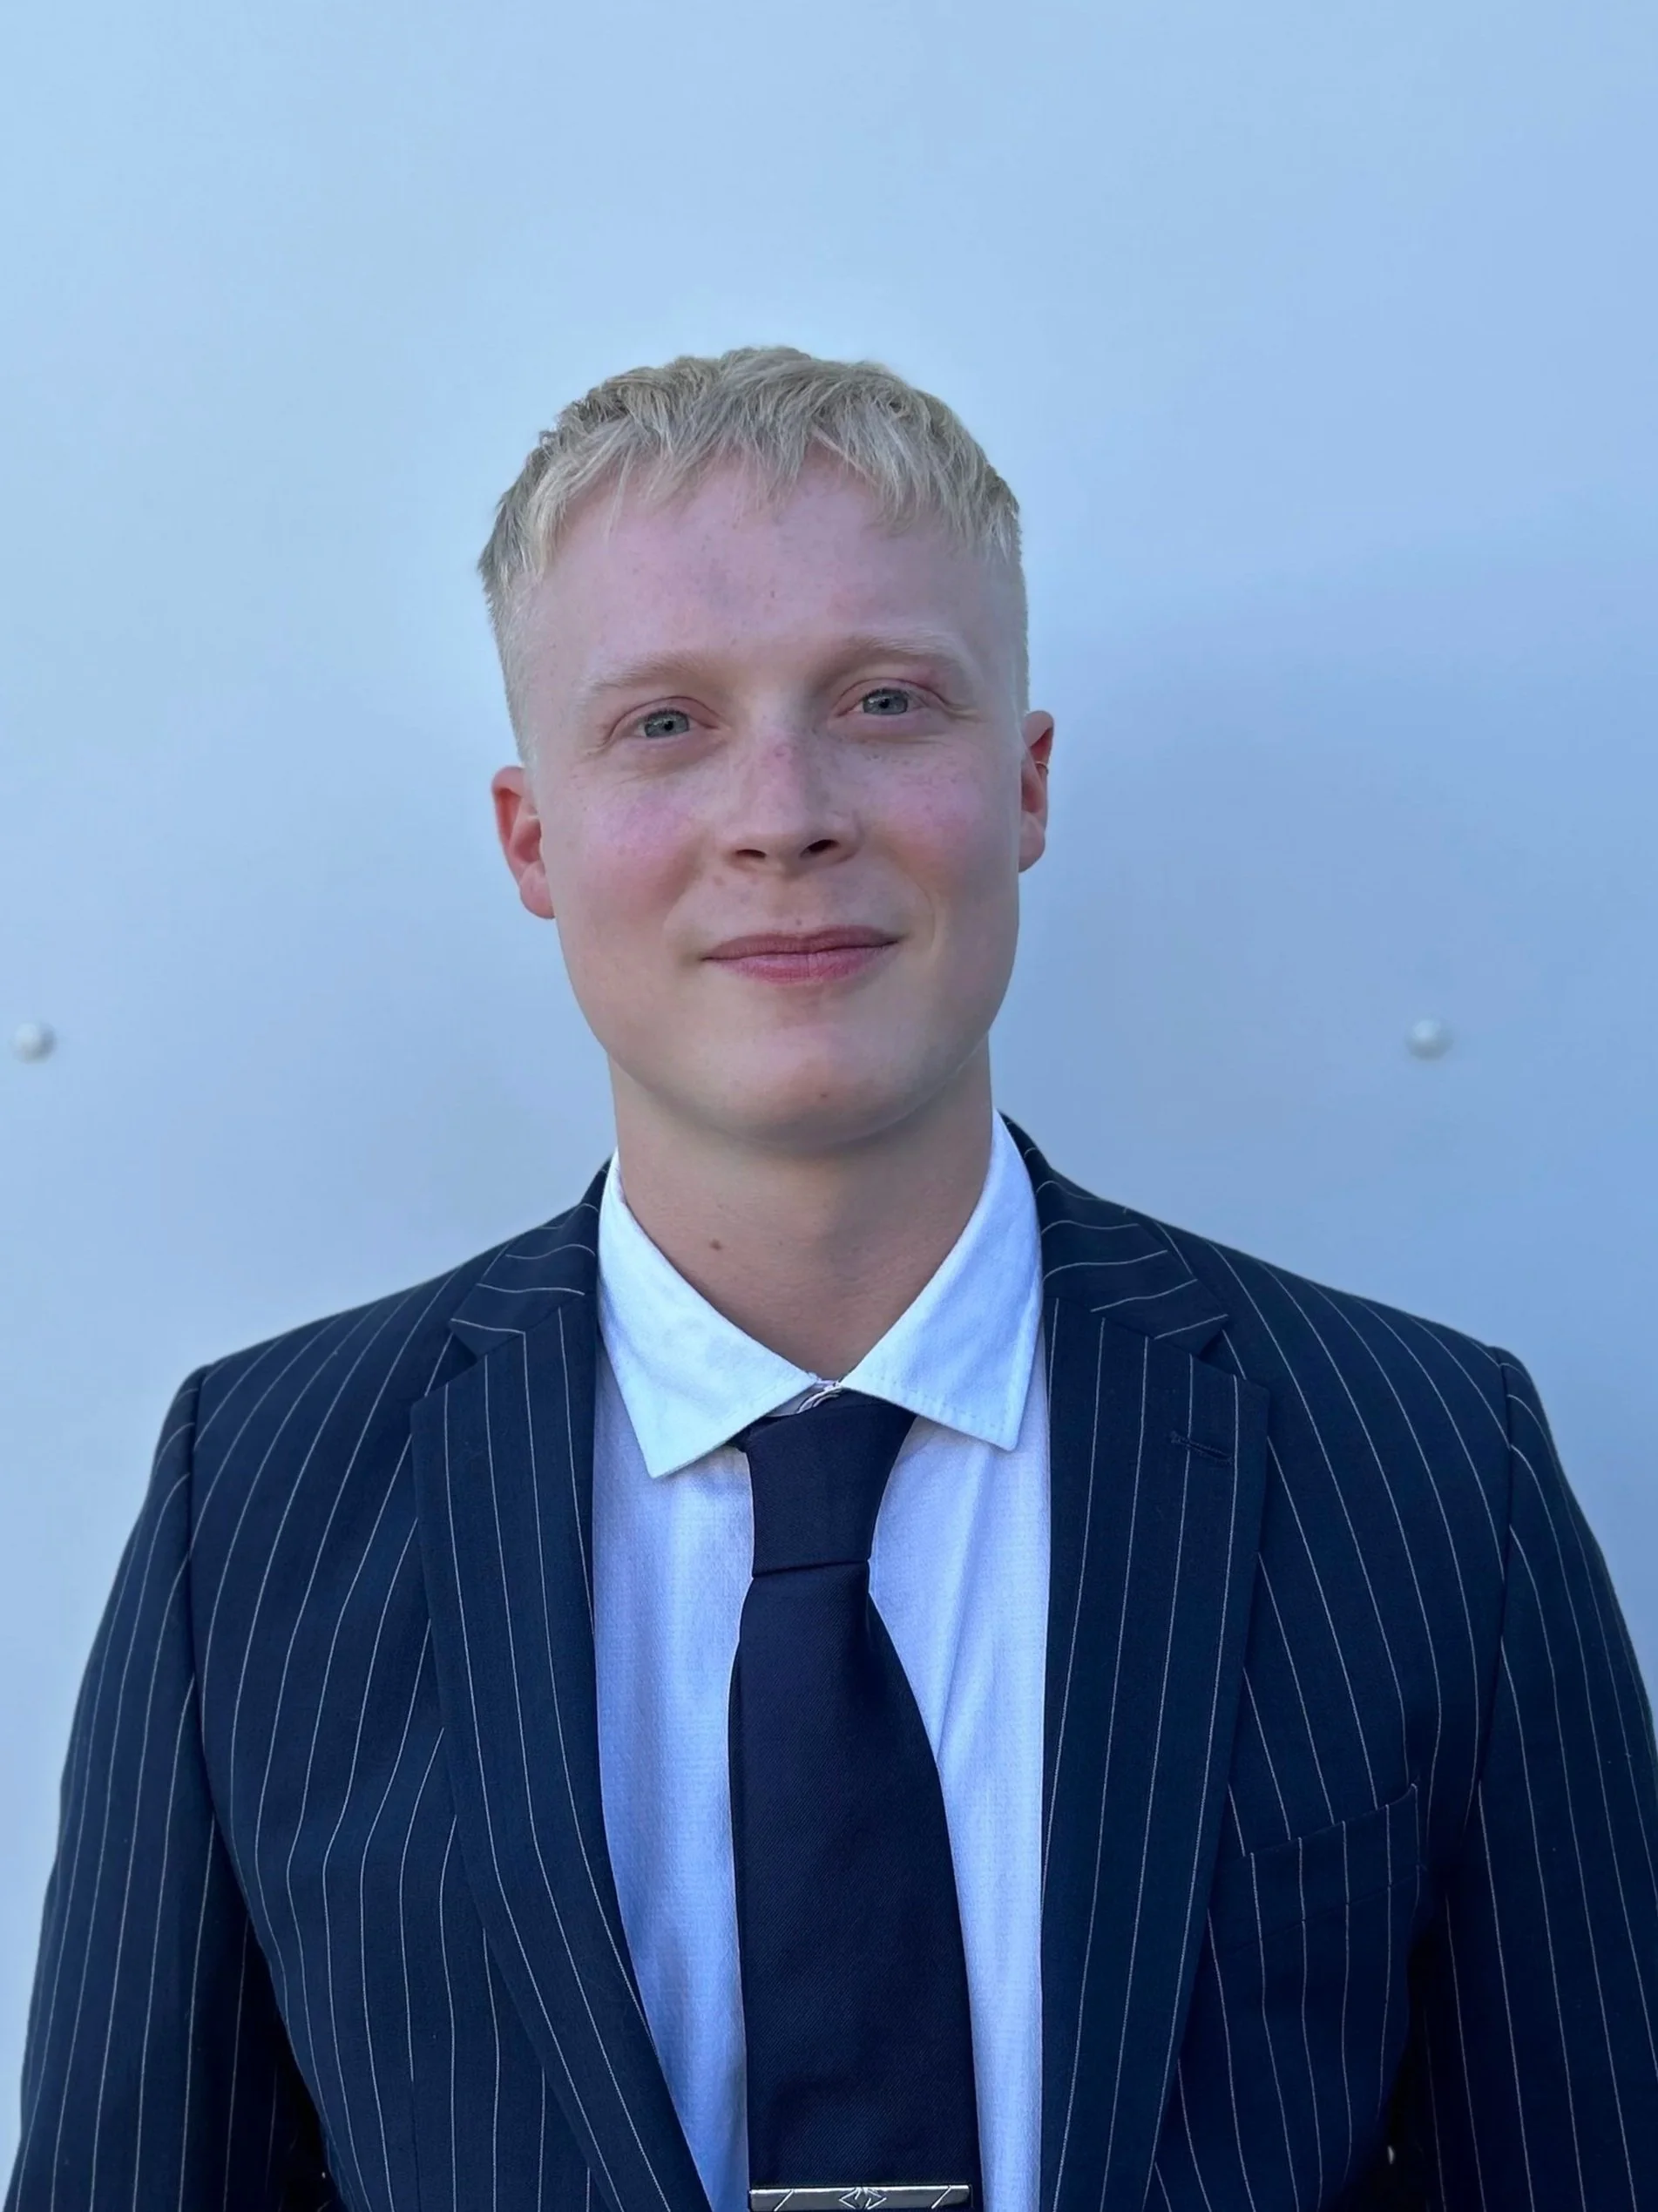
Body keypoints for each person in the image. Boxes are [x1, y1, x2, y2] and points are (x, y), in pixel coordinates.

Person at [8, 347, 1656, 2212]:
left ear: (1023, 784)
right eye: (664, 723)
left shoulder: (1426, 1468)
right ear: (532, 838)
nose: (782, 812)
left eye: (885, 700)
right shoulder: (259, 1503)